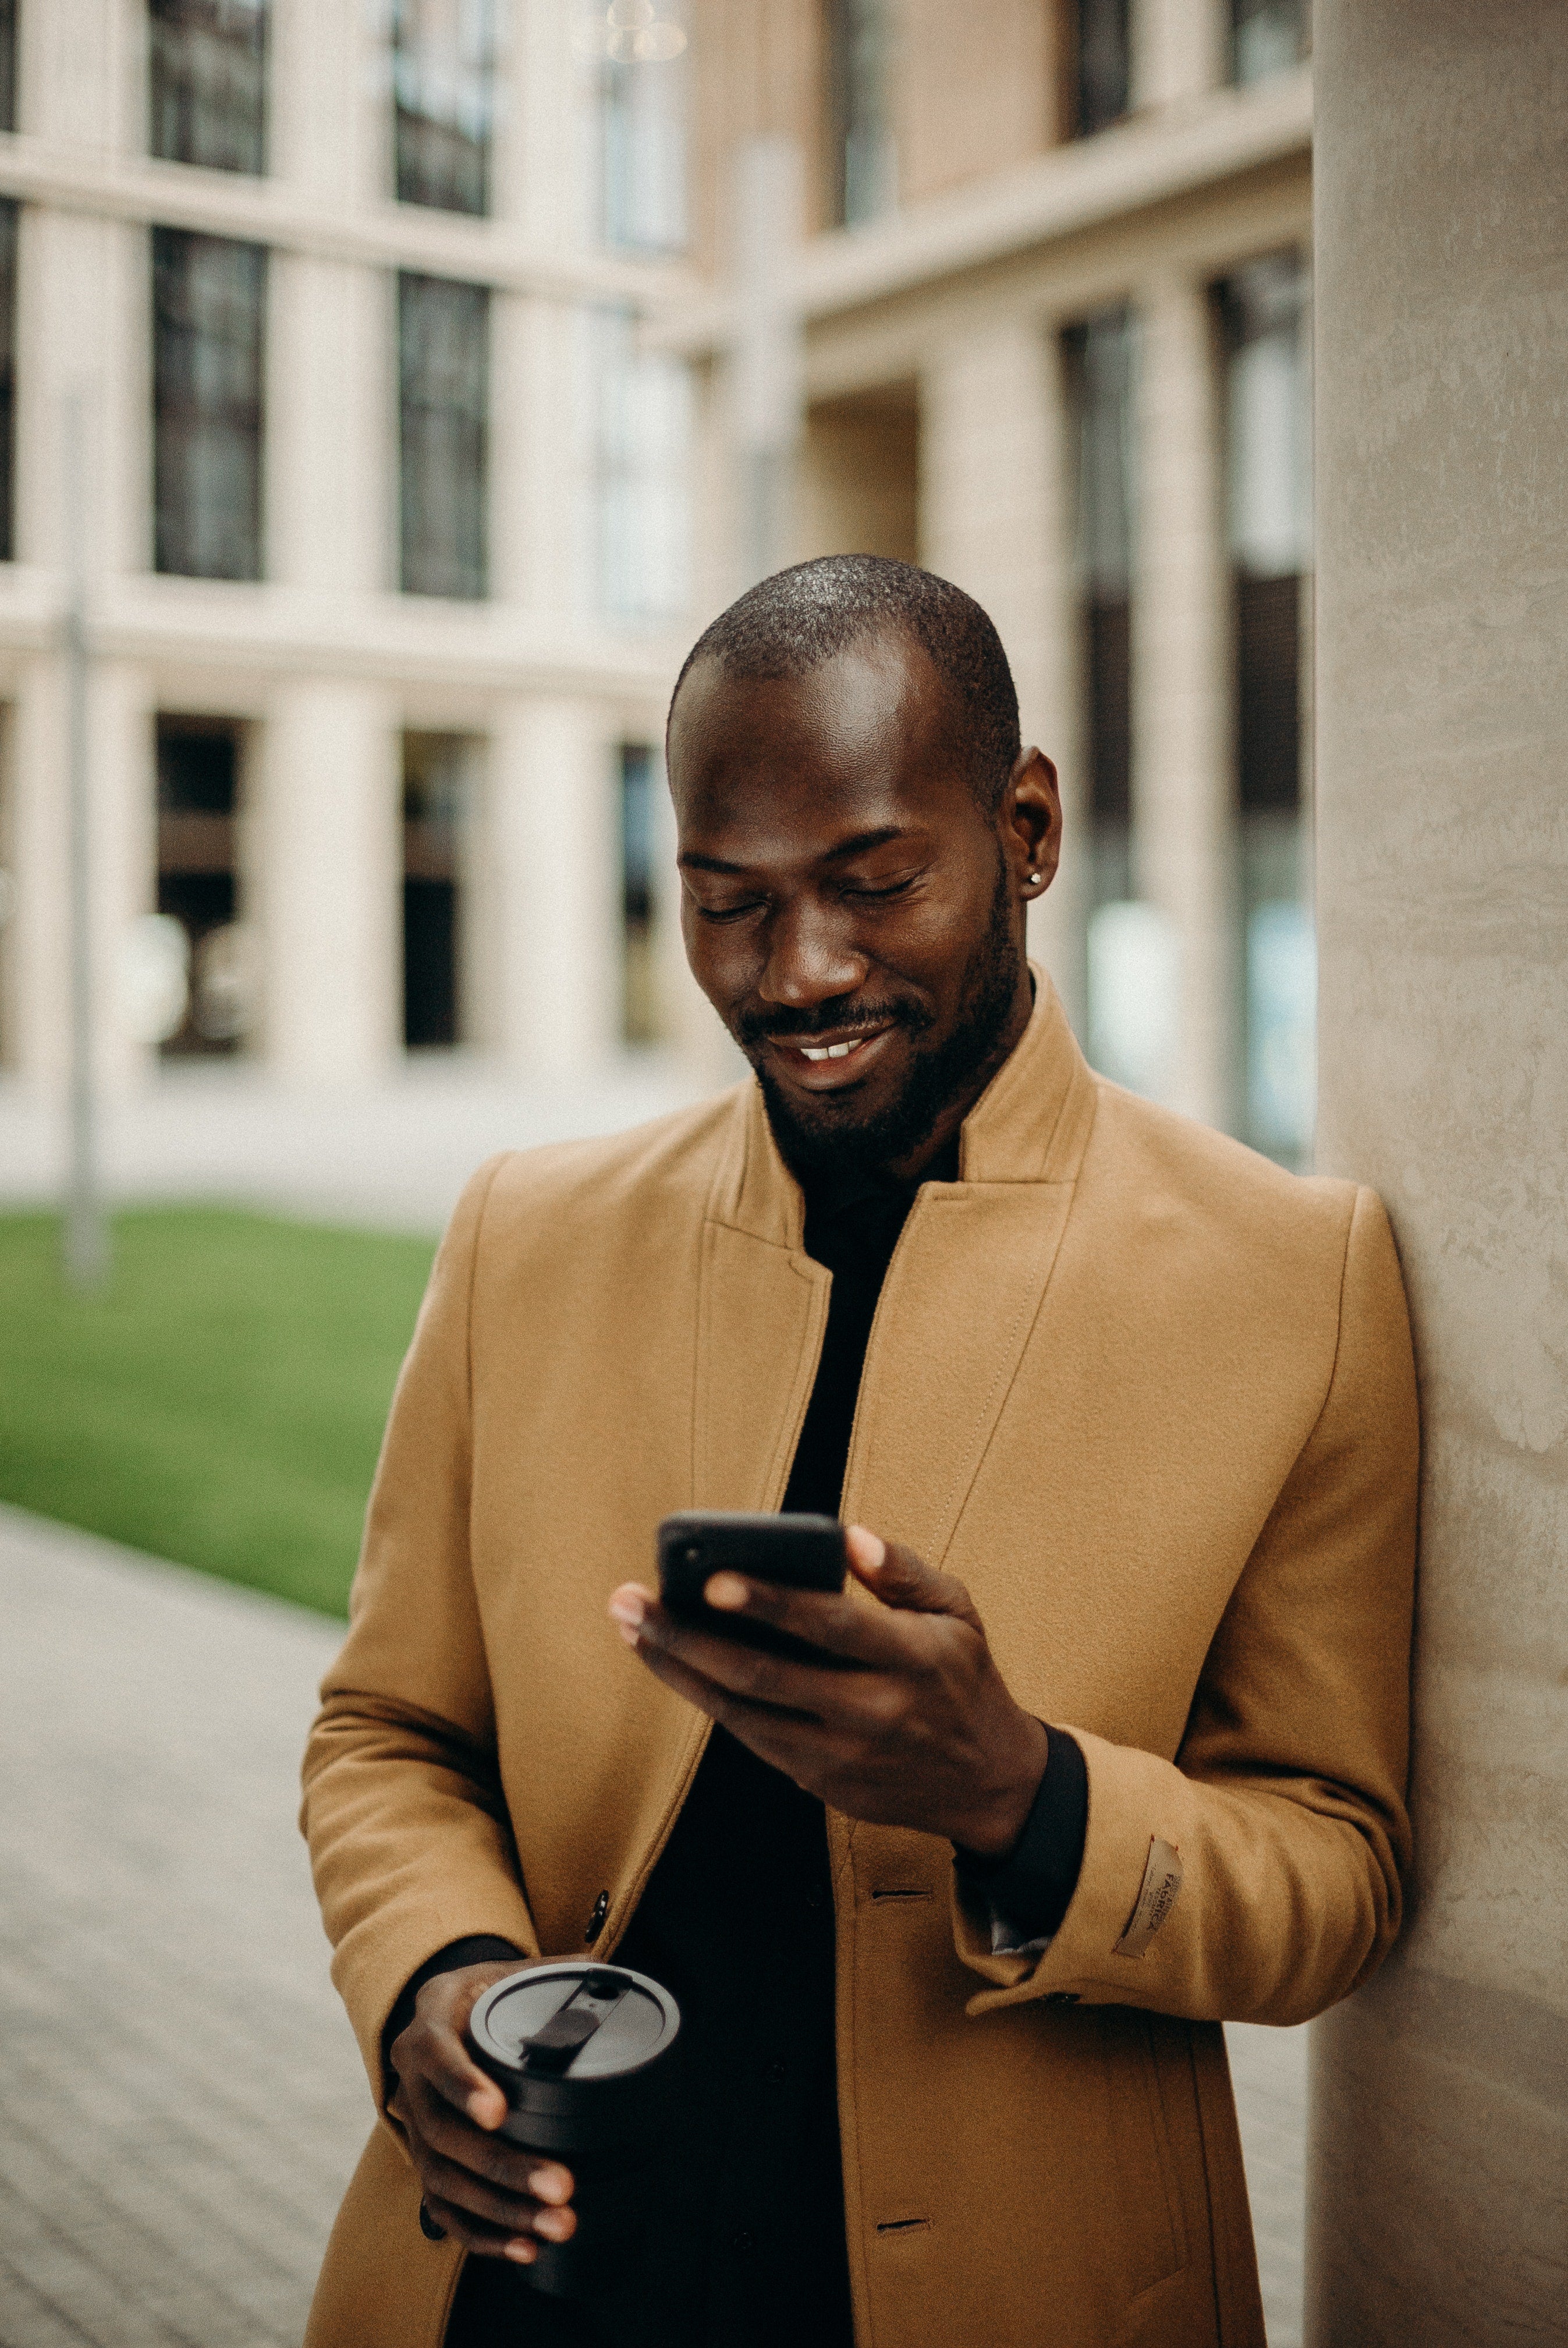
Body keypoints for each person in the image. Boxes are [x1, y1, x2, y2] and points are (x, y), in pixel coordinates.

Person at [301, 555, 1418, 2348]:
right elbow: (389, 1728)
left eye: (875, 881)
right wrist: (434, 1975)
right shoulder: (527, 1234)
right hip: (524, 2291)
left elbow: (1339, 1869)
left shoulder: (1302, 1282)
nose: (799, 970)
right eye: (726, 902)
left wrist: (1021, 1792)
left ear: (1030, 828)